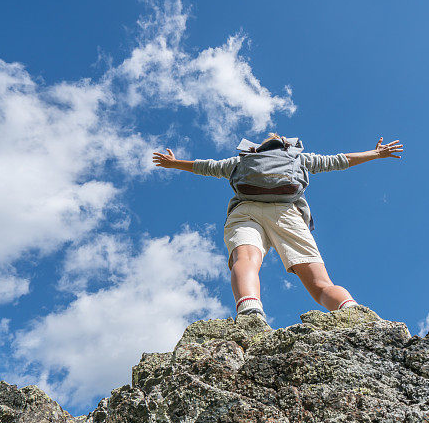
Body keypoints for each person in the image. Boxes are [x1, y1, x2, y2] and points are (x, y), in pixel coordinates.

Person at [153, 134, 403, 322]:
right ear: (286, 145)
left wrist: (174, 163)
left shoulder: (242, 160)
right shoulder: (298, 157)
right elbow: (340, 161)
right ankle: (351, 311)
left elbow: (205, 166)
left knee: (247, 258)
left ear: (258, 147)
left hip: (245, 210)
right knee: (320, 283)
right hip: (288, 213)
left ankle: (250, 311)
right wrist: (376, 153)